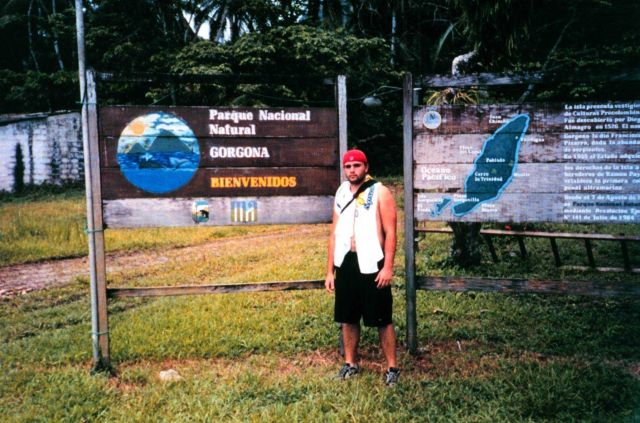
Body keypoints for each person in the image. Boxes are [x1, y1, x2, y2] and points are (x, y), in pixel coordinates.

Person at [325, 148, 400, 386]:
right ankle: (351, 363)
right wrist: (329, 271)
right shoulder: (341, 192)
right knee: (347, 317)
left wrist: (387, 267)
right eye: (348, 167)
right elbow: (334, 233)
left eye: (357, 166)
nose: (352, 170)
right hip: (346, 261)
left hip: (372, 261)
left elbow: (391, 233)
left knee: (381, 318)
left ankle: (392, 367)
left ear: (366, 167)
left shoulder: (380, 191)